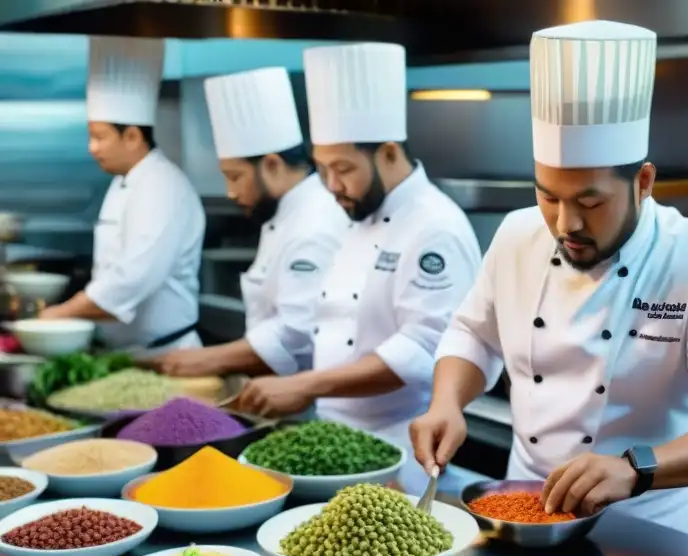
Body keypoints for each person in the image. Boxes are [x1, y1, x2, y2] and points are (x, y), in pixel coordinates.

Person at [410, 20, 688, 533]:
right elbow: (473, 334)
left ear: (644, 182)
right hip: (525, 514)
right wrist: (446, 403)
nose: (567, 224)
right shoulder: (517, 234)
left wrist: (636, 469)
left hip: (653, 527)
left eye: (591, 201)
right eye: (548, 196)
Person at [234, 43, 481, 493]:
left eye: (343, 168)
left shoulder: (435, 227)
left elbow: (423, 350)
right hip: (333, 436)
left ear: (388, 152)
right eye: (323, 169)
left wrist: (307, 384)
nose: (331, 186)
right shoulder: (357, 217)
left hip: (397, 447)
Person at [153, 67, 348, 378]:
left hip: (303, 398)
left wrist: (211, 360)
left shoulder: (314, 224)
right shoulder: (286, 215)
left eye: (235, 177)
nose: (231, 192)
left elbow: (297, 333)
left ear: (271, 164)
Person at [41, 37, 205, 355]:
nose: (92, 148)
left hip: (165, 355)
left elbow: (132, 279)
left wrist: (61, 314)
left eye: (99, 137)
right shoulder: (123, 182)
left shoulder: (162, 186)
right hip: (127, 353)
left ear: (132, 136)